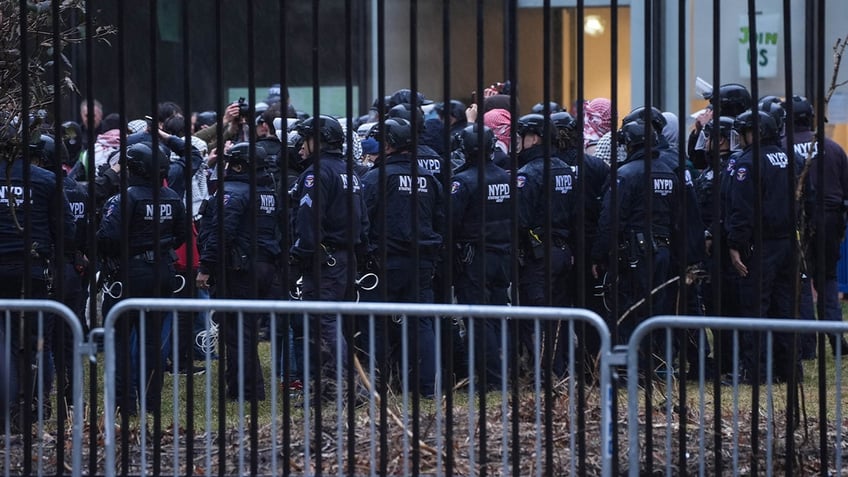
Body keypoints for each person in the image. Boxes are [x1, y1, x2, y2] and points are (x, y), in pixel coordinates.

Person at [98, 142, 186, 416]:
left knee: (121, 340)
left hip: (130, 274)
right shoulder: (172, 197)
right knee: (152, 342)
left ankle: (126, 405)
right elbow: (182, 235)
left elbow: (107, 238)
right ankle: (151, 403)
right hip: (162, 272)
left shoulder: (125, 198)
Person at [361, 117, 443, 397]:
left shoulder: (374, 178)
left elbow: (363, 220)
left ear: (390, 144)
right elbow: (440, 219)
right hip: (422, 261)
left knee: (379, 323)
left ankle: (380, 384)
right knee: (421, 322)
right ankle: (428, 386)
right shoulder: (429, 178)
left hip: (385, 262)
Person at [0, 128, 75, 424]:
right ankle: (34, 407)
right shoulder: (46, 180)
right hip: (32, 270)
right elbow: (66, 230)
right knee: (34, 342)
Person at [290, 115, 368, 398]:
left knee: (324, 323)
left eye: (305, 138)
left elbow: (309, 219)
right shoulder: (349, 171)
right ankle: (331, 387)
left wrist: (301, 253)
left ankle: (343, 388)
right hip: (346, 259)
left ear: (318, 140)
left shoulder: (316, 174)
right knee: (337, 323)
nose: (301, 144)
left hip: (325, 261)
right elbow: (364, 220)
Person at [196, 142, 280, 401]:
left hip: (239, 269)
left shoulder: (232, 191)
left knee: (236, 331)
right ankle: (242, 388)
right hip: (264, 267)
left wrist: (206, 267)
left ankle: (246, 391)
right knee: (246, 329)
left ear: (239, 164)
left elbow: (222, 233)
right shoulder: (269, 191)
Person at [592, 119, 679, 346]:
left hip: (634, 254)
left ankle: (633, 367)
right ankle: (654, 364)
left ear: (629, 144)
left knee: (630, 309)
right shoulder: (669, 173)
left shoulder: (626, 174)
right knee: (656, 309)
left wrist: (599, 255)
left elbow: (610, 219)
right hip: (664, 251)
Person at [725, 110, 797, 382]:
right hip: (788, 243)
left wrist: (735, 244)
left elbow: (742, 209)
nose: (741, 138)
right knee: (784, 307)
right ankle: (788, 371)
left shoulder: (748, 163)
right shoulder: (789, 157)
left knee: (755, 307)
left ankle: (756, 372)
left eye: (744, 132)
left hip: (761, 245)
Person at [783, 95, 848, 355]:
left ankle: (807, 345)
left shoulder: (782, 148)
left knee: (800, 278)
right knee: (828, 278)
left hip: (797, 218)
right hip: (830, 220)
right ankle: (835, 339)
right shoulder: (832, 148)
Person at [513, 113, 577, 376]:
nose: (518, 142)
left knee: (536, 316)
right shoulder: (564, 168)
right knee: (558, 316)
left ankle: (546, 373)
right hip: (563, 250)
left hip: (538, 255)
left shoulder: (528, 173)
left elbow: (519, 219)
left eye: (522, 137)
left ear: (535, 138)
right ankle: (560, 370)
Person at [450, 124, 512, 389]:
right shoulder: (508, 177)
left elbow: (450, 223)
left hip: (474, 258)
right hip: (503, 255)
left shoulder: (462, 181)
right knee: (498, 315)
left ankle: (491, 380)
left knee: (478, 319)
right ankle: (502, 374)